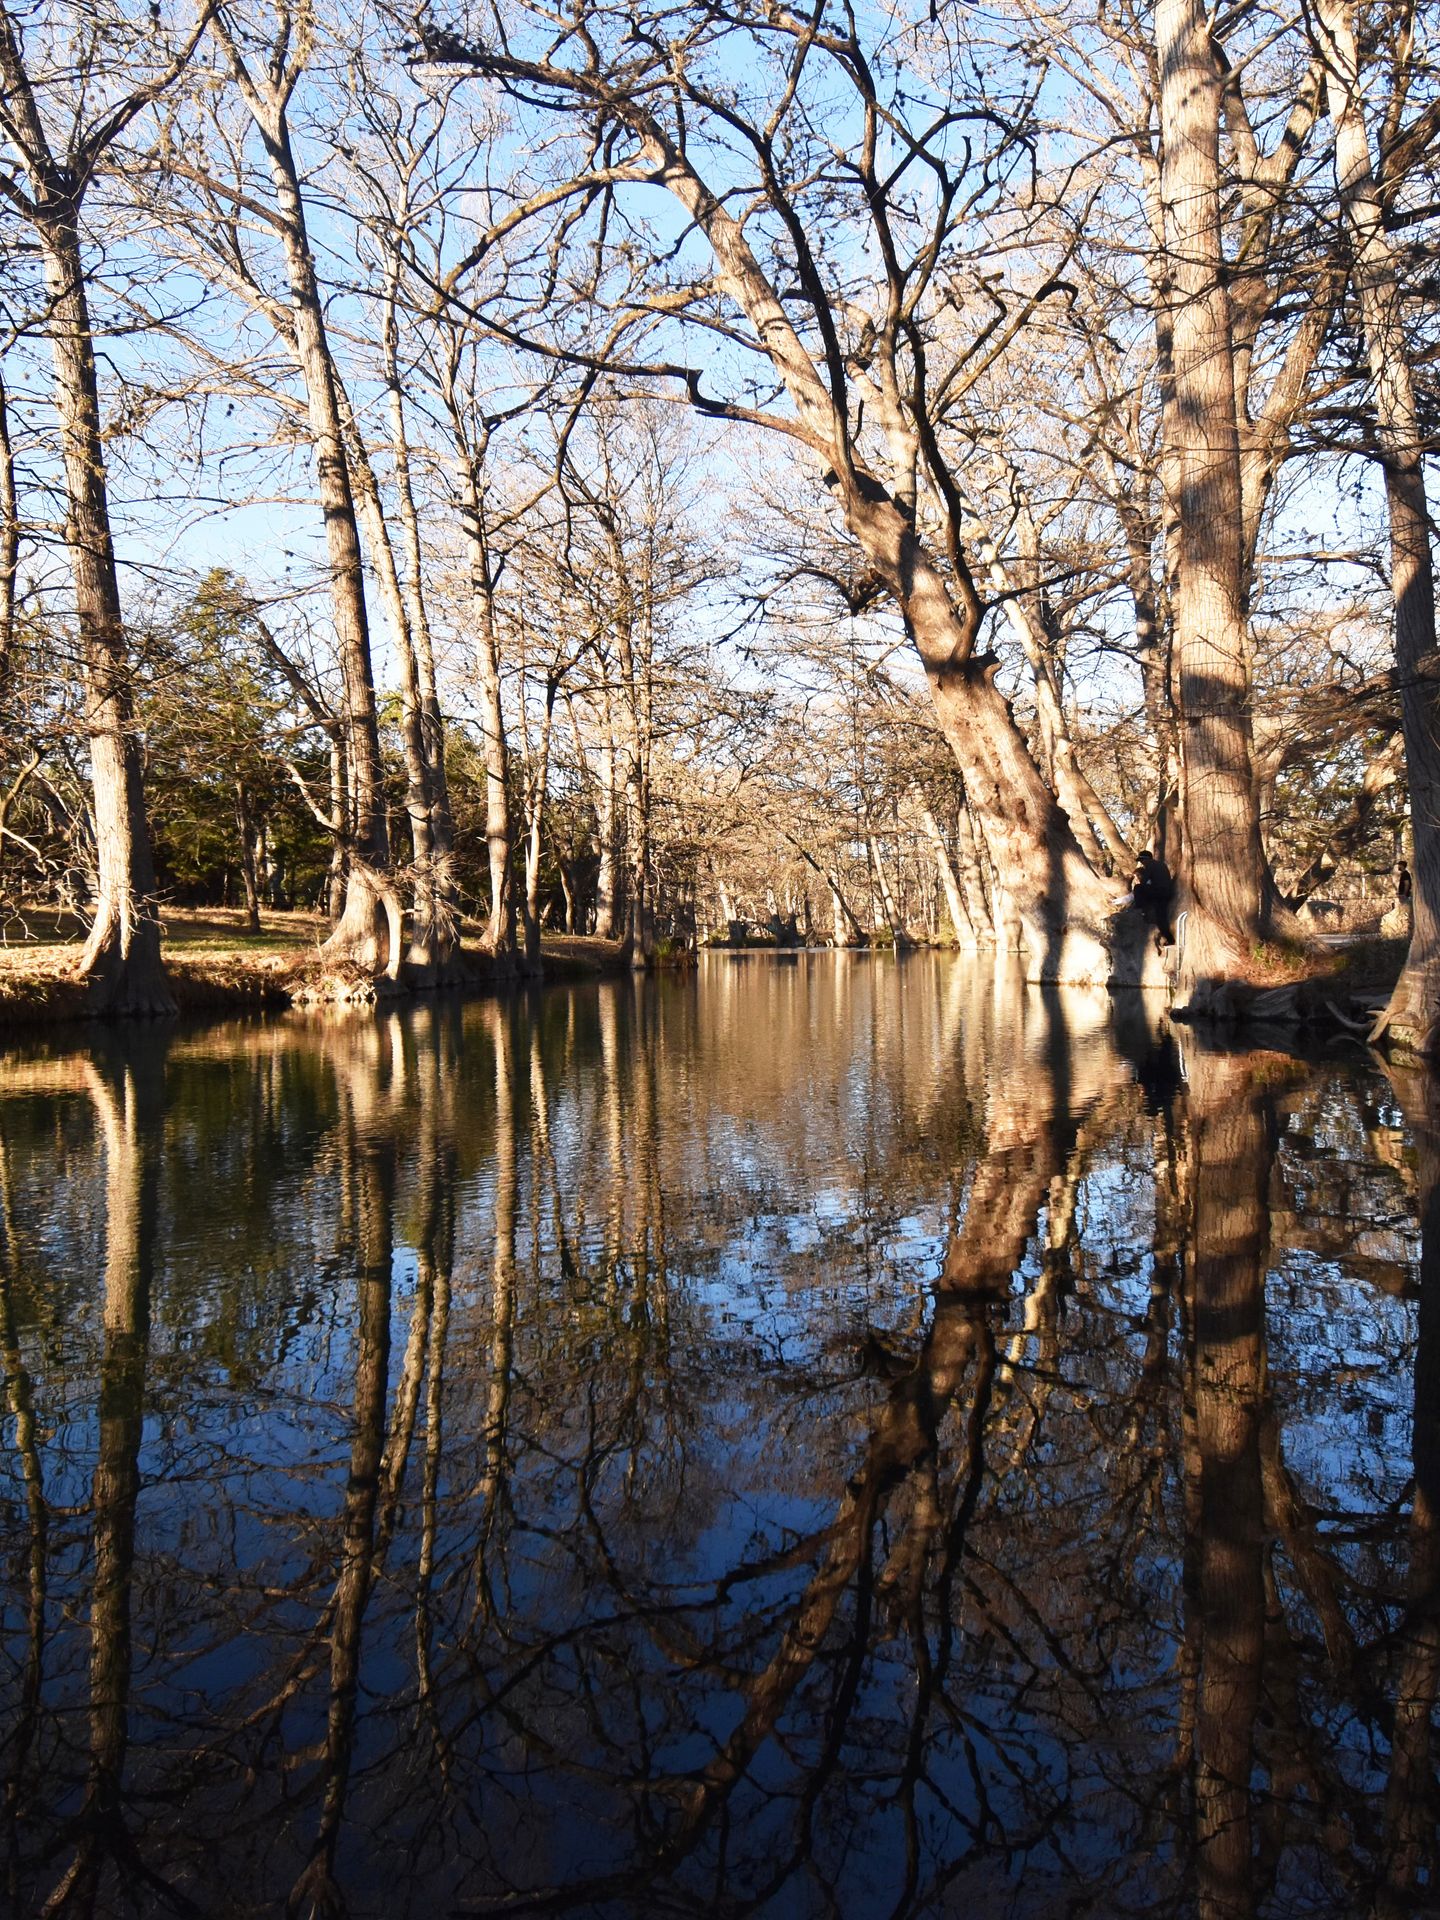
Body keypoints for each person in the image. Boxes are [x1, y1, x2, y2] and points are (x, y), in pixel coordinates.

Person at [1130, 849, 1175, 947]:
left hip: (1158, 893)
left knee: (1137, 888)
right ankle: (1169, 938)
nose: (1141, 863)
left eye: (1142, 860)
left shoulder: (1150, 866)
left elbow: (1143, 882)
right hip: (1166, 893)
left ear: (1146, 859)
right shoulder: (1161, 865)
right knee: (1161, 916)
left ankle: (1140, 907)